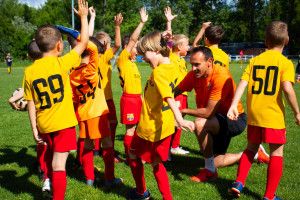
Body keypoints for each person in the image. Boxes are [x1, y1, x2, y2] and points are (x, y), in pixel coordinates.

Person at [227, 21, 300, 200]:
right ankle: (269, 196)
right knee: (276, 153)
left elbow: (243, 83)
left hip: (254, 115)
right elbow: (288, 89)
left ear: (266, 40)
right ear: (287, 40)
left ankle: (238, 182)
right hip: (272, 116)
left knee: (251, 148)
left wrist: (232, 105)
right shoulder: (285, 63)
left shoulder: (255, 60)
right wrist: (297, 112)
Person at [23, 1, 89, 199]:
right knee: (59, 165)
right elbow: (83, 43)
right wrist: (83, 17)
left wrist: (34, 128)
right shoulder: (62, 63)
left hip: (44, 124)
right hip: (64, 123)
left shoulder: (29, 71)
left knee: (51, 160)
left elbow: (31, 102)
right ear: (60, 45)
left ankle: (49, 188)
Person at [127, 30, 195, 200]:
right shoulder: (171, 63)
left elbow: (168, 96)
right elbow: (169, 49)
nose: (143, 58)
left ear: (157, 50)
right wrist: (167, 38)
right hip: (164, 126)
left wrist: (179, 118)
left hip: (149, 127)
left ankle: (141, 192)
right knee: (157, 164)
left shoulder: (158, 73)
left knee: (133, 156)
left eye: (145, 54)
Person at [174, 46, 249, 182]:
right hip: (216, 120)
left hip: (234, 120)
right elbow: (176, 91)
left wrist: (183, 111)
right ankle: (250, 155)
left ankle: (210, 171)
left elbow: (208, 112)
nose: (193, 69)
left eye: (197, 64)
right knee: (217, 161)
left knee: (199, 123)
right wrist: (160, 98)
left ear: (210, 61)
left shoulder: (221, 76)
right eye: (192, 64)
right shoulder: (194, 75)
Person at [91, 9, 123, 162]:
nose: (110, 46)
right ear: (103, 45)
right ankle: (106, 149)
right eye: (108, 43)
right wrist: (117, 26)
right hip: (106, 98)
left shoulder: (92, 58)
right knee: (111, 123)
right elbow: (118, 44)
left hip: (96, 98)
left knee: (98, 123)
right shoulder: (103, 57)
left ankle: (97, 150)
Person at [117, 7, 147, 162]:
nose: (137, 48)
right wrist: (142, 23)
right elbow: (133, 40)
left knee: (137, 129)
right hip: (128, 99)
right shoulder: (123, 58)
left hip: (136, 98)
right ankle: (130, 157)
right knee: (131, 129)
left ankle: (135, 153)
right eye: (135, 46)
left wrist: (142, 99)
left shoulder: (133, 63)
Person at [164, 6, 190, 156]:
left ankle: (174, 146)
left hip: (184, 95)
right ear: (179, 47)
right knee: (172, 122)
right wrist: (169, 23)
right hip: (176, 94)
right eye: (187, 44)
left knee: (179, 121)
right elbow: (169, 40)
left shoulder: (181, 59)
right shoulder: (172, 56)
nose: (189, 47)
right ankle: (167, 149)